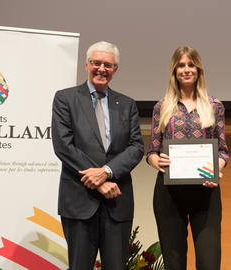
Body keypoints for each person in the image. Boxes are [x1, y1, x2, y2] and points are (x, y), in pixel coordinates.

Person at [51, 41, 144, 270]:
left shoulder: (127, 104)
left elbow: (136, 147)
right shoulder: (65, 99)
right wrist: (99, 182)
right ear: (86, 64)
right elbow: (63, 145)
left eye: (108, 65)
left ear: (115, 69)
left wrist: (106, 172)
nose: (102, 68)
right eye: (96, 63)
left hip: (117, 203)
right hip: (79, 200)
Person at [147, 46, 229, 270]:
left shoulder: (215, 106)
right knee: (174, 263)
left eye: (191, 65)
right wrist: (156, 161)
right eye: (181, 65)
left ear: (199, 69)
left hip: (206, 189)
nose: (186, 70)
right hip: (169, 192)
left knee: (209, 262)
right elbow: (151, 151)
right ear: (174, 71)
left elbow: (223, 150)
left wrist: (216, 169)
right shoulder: (161, 107)